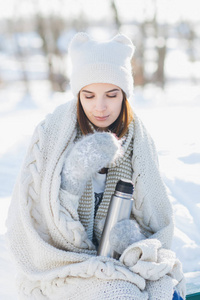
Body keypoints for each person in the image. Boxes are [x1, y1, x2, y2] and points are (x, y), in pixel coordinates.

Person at [6, 32, 186, 300]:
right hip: (63, 264)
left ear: (124, 94)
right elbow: (37, 224)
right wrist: (71, 181)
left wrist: (130, 242)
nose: (100, 107)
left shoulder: (138, 137)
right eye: (88, 96)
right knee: (121, 291)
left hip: (119, 259)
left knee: (163, 288)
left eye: (111, 95)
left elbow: (157, 218)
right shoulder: (51, 132)